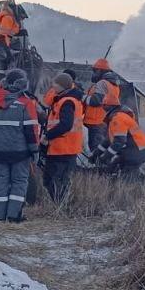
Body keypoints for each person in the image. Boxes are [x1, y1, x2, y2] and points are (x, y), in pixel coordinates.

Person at [0, 68, 40, 222]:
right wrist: (34, 150)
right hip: (20, 152)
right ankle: (14, 216)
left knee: (0, 182)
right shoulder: (26, 104)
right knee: (19, 182)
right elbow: (31, 131)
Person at [41, 72, 84, 204]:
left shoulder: (66, 102)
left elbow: (65, 125)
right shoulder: (66, 100)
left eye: (55, 84)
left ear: (62, 86)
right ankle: (59, 206)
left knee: (55, 180)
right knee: (54, 180)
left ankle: (60, 207)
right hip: (65, 148)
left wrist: (47, 136)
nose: (53, 86)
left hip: (63, 148)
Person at [102, 104, 145, 180]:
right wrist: (96, 154)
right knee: (115, 165)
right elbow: (108, 141)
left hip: (136, 152)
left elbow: (119, 142)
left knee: (126, 176)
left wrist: (105, 156)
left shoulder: (118, 118)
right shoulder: (122, 117)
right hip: (139, 151)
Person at [84, 58, 121, 154]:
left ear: (100, 70)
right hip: (104, 121)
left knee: (96, 148)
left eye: (95, 71)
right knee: (102, 148)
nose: (93, 74)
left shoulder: (102, 83)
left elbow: (96, 101)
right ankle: (102, 167)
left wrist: (82, 97)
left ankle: (99, 167)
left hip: (96, 121)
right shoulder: (113, 85)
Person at [0, 3, 24, 72]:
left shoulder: (13, 18)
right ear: (19, 12)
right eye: (22, 16)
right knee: (5, 57)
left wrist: (20, 32)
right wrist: (7, 51)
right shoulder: (8, 18)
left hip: (2, 40)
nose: (22, 19)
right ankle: (1, 72)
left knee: (18, 47)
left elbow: (9, 31)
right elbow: (1, 36)